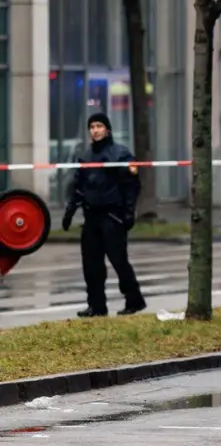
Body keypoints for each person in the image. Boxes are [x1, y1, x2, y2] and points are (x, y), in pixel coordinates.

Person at [63, 112, 145, 317]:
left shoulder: (120, 154)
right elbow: (79, 187)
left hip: (112, 216)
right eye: (92, 127)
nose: (95, 130)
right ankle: (96, 306)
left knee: (119, 261)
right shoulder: (86, 156)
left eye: (99, 126)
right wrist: (70, 210)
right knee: (91, 264)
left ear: (107, 129)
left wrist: (128, 212)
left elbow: (131, 185)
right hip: (91, 217)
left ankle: (134, 300)